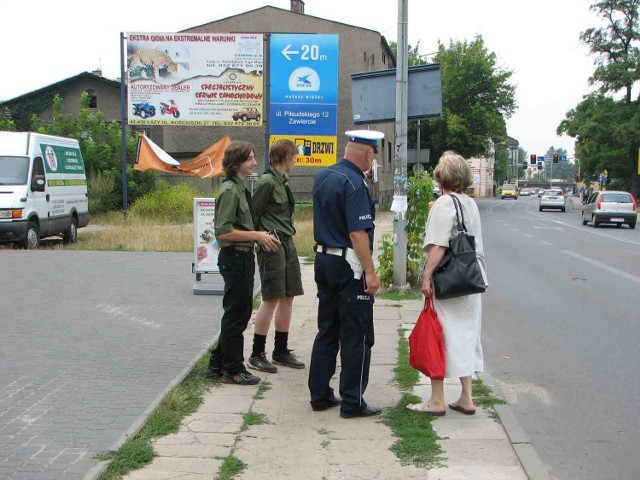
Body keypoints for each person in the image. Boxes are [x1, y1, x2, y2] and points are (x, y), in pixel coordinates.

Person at [308, 129, 383, 419]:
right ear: (367, 154)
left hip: (323, 260)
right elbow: (357, 232)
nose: (373, 160)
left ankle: (320, 394)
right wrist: (370, 271)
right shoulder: (355, 183)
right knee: (357, 334)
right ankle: (353, 401)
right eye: (374, 155)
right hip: (349, 266)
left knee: (327, 329)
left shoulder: (324, 176)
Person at [407, 151, 487, 416]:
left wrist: (426, 277)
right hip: (471, 280)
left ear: (441, 178)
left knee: (438, 334)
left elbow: (439, 246)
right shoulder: (469, 203)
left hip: (448, 281)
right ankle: (466, 397)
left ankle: (437, 399)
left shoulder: (444, 203)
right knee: (467, 335)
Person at [206, 141, 280, 385]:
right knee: (236, 315)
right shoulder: (229, 191)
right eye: (249, 158)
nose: (254, 162)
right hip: (235, 257)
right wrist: (256, 236)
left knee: (238, 313)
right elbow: (223, 233)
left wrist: (262, 236)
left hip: (243, 256)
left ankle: (217, 364)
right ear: (236, 162)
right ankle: (234, 370)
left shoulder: (240, 188)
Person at [248, 139, 305, 373]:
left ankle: (280, 350)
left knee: (288, 296)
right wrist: (259, 237)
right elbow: (252, 214)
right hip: (272, 245)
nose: (295, 161)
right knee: (271, 298)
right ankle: (256, 353)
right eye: (293, 156)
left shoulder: (282, 181)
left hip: (287, 243)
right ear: (284, 157)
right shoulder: (267, 182)